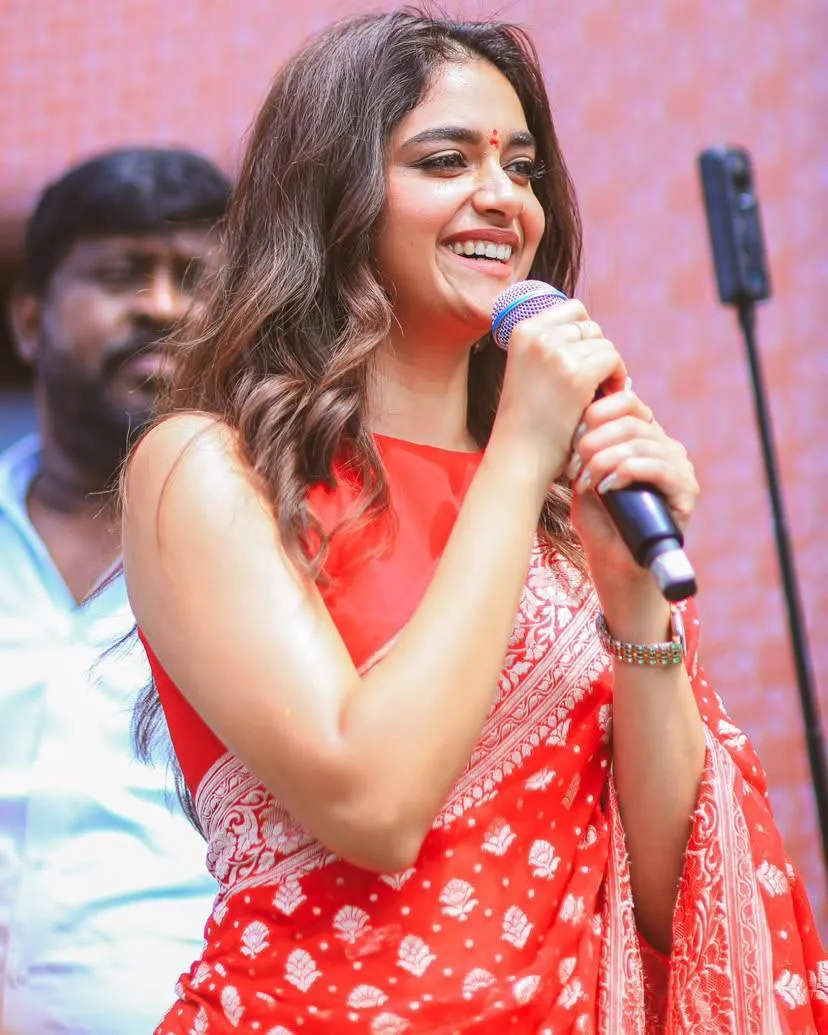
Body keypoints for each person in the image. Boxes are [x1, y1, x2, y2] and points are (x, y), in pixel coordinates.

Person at [122, 12, 827, 1034]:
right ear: (333, 195)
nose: (501, 197)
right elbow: (373, 806)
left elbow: (678, 899)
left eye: (523, 166)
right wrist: (520, 456)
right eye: (445, 159)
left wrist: (631, 600)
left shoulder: (558, 506)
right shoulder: (204, 466)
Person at [0, 147, 232, 1034]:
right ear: (30, 319)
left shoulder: (291, 562)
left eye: (194, 277)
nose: (162, 307)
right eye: (120, 273)